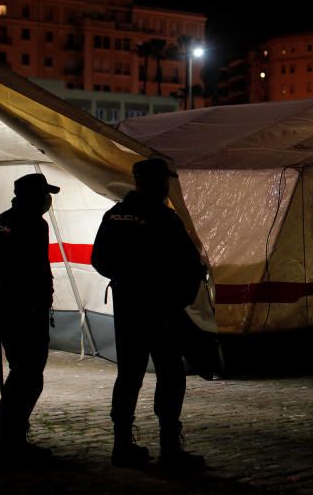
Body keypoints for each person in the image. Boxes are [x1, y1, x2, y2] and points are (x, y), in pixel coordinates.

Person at [91, 158, 206, 470]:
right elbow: (189, 262)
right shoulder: (164, 218)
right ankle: (170, 449)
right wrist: (176, 294)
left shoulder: (114, 216)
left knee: (129, 375)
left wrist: (129, 280)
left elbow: (99, 260)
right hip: (162, 310)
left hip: (128, 308)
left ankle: (122, 444)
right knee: (170, 375)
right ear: (158, 182)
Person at [0, 173, 60, 460]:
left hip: (8, 310)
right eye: (45, 194)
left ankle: (9, 433)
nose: (48, 201)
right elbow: (31, 271)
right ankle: (11, 436)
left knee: (21, 371)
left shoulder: (1, 222)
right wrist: (30, 303)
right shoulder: (33, 224)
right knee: (29, 373)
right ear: (34, 196)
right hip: (26, 312)